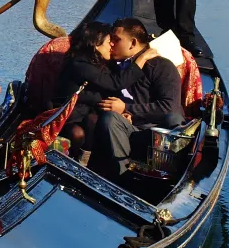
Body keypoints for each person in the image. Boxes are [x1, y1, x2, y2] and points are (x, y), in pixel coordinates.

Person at [90, 18, 186, 179]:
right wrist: (122, 114)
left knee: (174, 118)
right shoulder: (110, 66)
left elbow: (170, 108)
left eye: (116, 39)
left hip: (155, 133)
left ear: (132, 43)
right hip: (127, 130)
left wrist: (128, 109)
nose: (111, 44)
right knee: (110, 119)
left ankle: (169, 177)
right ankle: (122, 178)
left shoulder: (162, 66)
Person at [54, 22, 159, 165]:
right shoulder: (80, 64)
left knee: (94, 120)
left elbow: (111, 90)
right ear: (96, 44)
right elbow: (115, 83)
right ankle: (78, 162)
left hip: (86, 112)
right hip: (68, 114)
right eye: (109, 42)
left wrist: (124, 111)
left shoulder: (100, 63)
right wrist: (142, 59)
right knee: (79, 133)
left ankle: (87, 161)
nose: (112, 46)